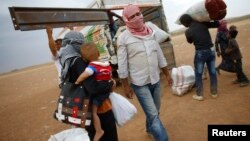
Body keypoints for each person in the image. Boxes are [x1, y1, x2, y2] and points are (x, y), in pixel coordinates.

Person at [117, 4, 172, 141]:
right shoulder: (124, 38)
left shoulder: (151, 32)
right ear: (126, 19)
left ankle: (149, 128)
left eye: (138, 13)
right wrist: (125, 85)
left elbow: (159, 54)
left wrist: (167, 74)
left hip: (155, 79)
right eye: (132, 16)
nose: (137, 17)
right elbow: (122, 64)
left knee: (155, 110)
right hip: (139, 83)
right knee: (153, 114)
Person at [59, 31, 118, 141]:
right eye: (81, 42)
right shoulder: (78, 61)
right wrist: (110, 83)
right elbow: (93, 88)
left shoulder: (68, 60)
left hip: (84, 108)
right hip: (99, 110)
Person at [75, 42, 112, 141]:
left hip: (99, 96)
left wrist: (78, 81)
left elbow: (85, 75)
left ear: (85, 59)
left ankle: (99, 131)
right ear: (99, 53)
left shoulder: (92, 66)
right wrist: (110, 83)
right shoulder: (106, 64)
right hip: (106, 94)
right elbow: (110, 77)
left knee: (93, 112)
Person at [179, 14, 219, 100]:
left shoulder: (188, 31)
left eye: (183, 24)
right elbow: (216, 24)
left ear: (185, 23)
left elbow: (190, 41)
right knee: (212, 72)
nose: (183, 25)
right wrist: (214, 17)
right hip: (211, 51)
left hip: (200, 53)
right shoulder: (202, 23)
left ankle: (199, 94)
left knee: (198, 74)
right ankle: (214, 92)